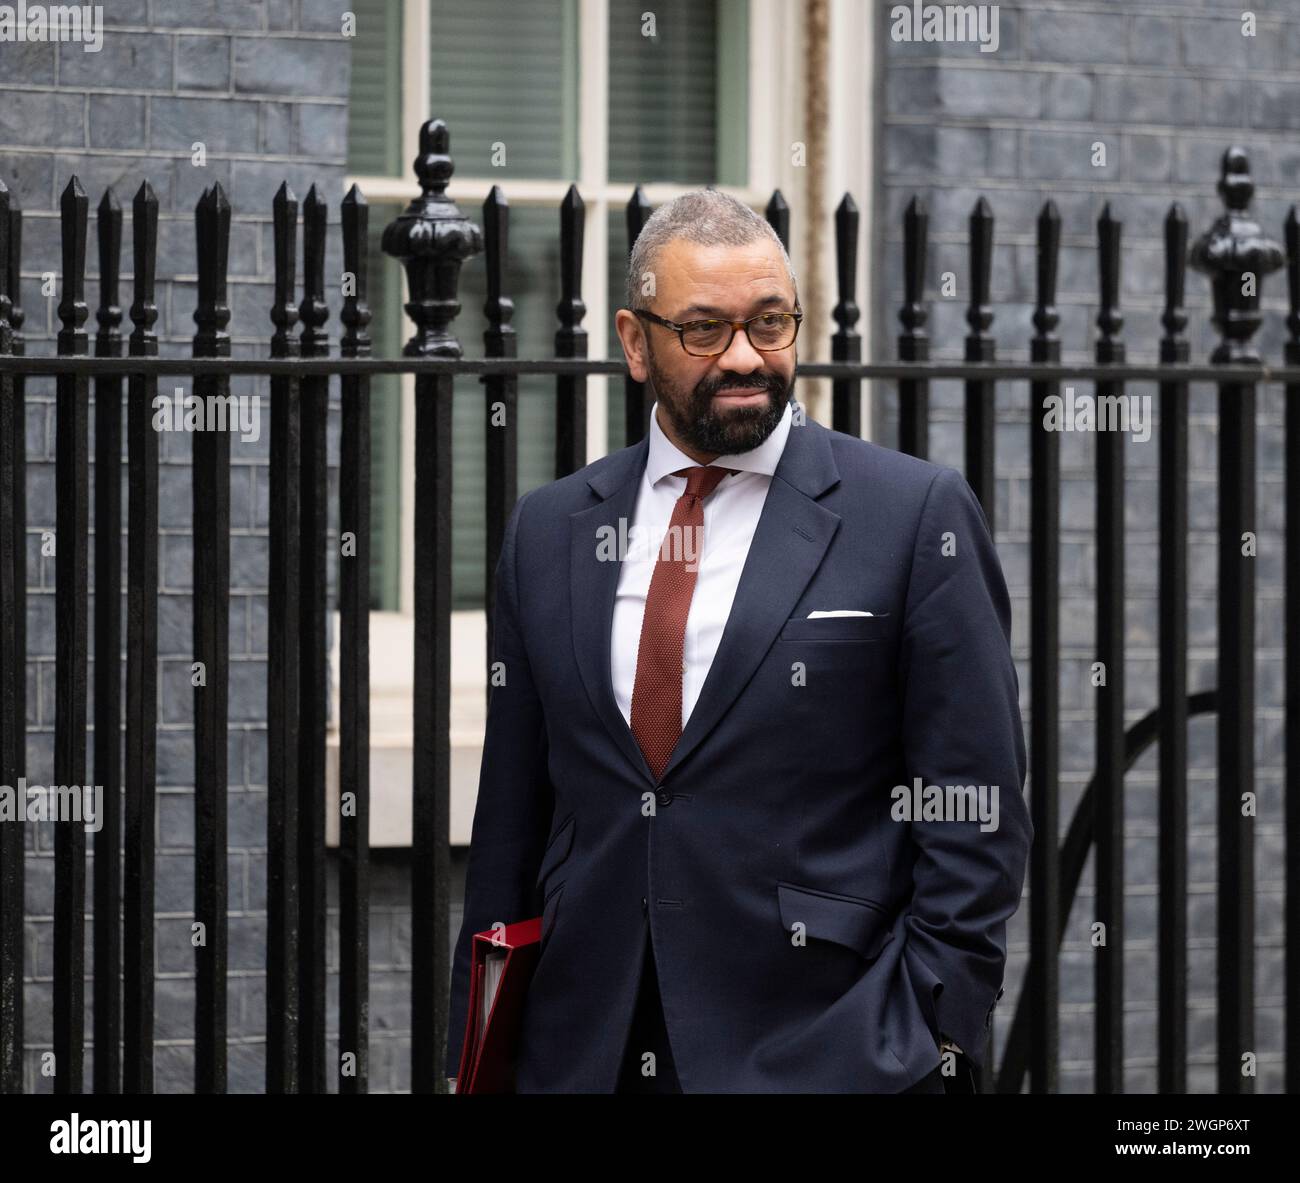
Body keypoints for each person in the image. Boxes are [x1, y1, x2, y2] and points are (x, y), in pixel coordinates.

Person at [445, 188, 1032, 1093]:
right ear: (636, 343)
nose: (748, 357)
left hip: (826, 1051)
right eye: (706, 331)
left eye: (770, 322)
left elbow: (975, 808)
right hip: (583, 1047)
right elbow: (512, 819)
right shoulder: (552, 528)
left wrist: (923, 1027)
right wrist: (480, 1051)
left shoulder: (912, 516)